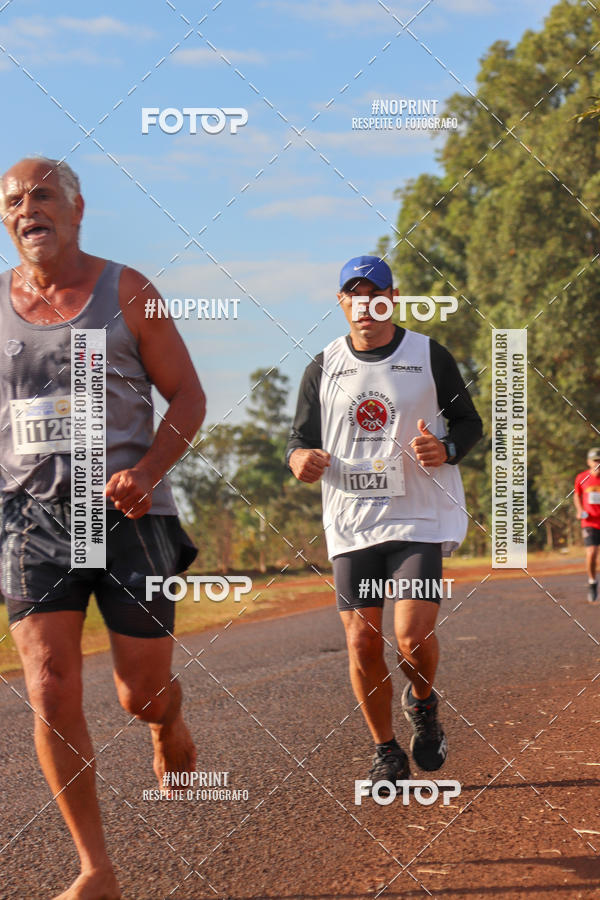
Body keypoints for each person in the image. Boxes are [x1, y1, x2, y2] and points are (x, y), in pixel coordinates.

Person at [0, 157, 206, 900]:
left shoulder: (128, 292)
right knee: (50, 686)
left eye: (42, 195)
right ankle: (96, 868)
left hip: (127, 515)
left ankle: (167, 723)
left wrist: (147, 471)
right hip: (31, 518)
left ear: (77, 209)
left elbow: (188, 396)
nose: (28, 209)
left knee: (139, 693)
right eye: (13, 202)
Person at [286, 255, 482, 790]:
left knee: (412, 638)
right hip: (352, 523)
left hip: (418, 517)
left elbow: (469, 422)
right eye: (354, 296)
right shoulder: (323, 367)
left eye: (375, 296)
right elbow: (299, 440)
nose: (365, 306)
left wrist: (446, 448)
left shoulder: (428, 355)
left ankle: (423, 704)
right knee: (362, 643)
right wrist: (299, 459)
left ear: (392, 299)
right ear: (341, 302)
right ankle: (385, 750)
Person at [573, 447, 600, 603]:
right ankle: (592, 582)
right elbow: (577, 495)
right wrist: (579, 510)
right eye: (595, 460)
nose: (598, 463)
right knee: (592, 552)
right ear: (589, 462)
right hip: (590, 521)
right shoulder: (582, 477)